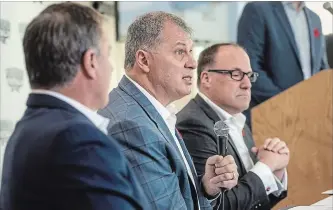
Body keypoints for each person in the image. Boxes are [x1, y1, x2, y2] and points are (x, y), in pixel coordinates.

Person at [0, 3, 149, 210]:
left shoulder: (29, 127)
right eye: (106, 54)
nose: (111, 66)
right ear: (91, 62)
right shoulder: (78, 139)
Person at [98, 12, 238, 210]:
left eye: (191, 51)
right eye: (180, 52)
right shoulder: (131, 126)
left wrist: (206, 188)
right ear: (144, 61)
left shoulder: (150, 110)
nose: (192, 63)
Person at [176, 43, 289, 210]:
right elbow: (220, 206)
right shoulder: (193, 124)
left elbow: (254, 203)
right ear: (206, 78)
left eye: (249, 76)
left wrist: (276, 171)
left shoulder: (236, 119)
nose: (247, 84)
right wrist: (266, 166)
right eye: (236, 74)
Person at [237, 1, 330, 128]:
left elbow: (322, 68)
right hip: (270, 116)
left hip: (309, 119)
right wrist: (287, 103)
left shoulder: (314, 18)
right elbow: (250, 66)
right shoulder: (257, 10)